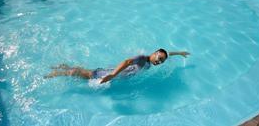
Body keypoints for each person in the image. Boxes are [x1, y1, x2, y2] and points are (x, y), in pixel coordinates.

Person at [44, 48, 190, 84]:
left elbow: (167, 53)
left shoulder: (149, 62)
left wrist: (179, 53)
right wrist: (113, 75)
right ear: (154, 53)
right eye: (159, 58)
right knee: (84, 74)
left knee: (84, 72)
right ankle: (55, 73)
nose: (159, 61)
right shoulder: (141, 59)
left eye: (161, 61)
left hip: (112, 75)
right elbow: (126, 61)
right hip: (108, 74)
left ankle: (63, 66)